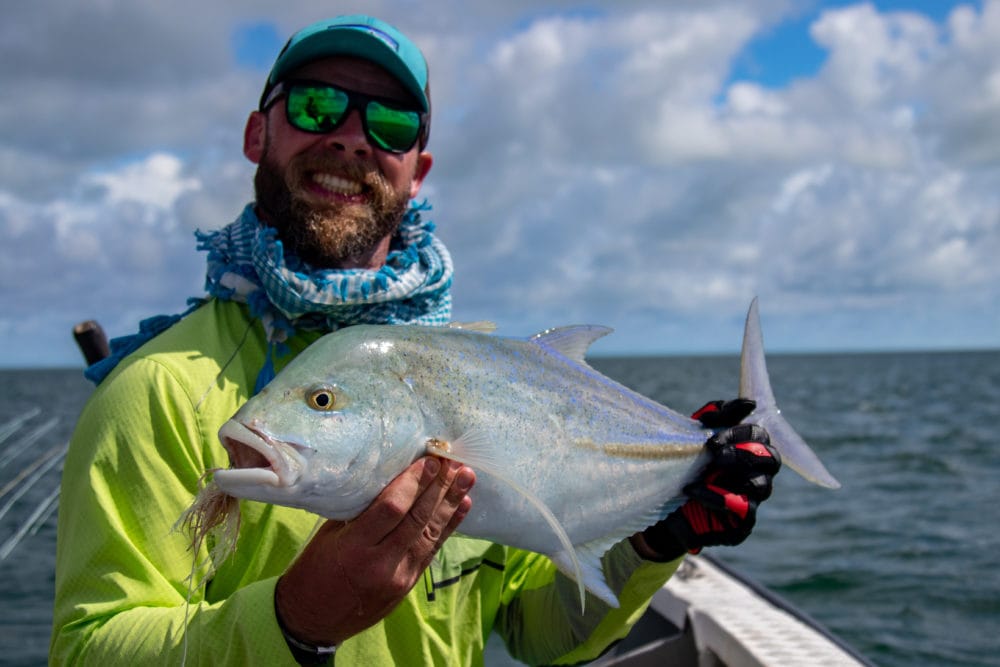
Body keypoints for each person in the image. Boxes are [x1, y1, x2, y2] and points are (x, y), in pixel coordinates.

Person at [50, 15, 780, 666]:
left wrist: (655, 540)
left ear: (417, 171)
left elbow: (538, 632)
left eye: (391, 124)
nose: (350, 137)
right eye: (315, 104)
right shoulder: (157, 392)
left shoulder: (474, 373)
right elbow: (90, 648)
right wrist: (291, 625)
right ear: (256, 134)